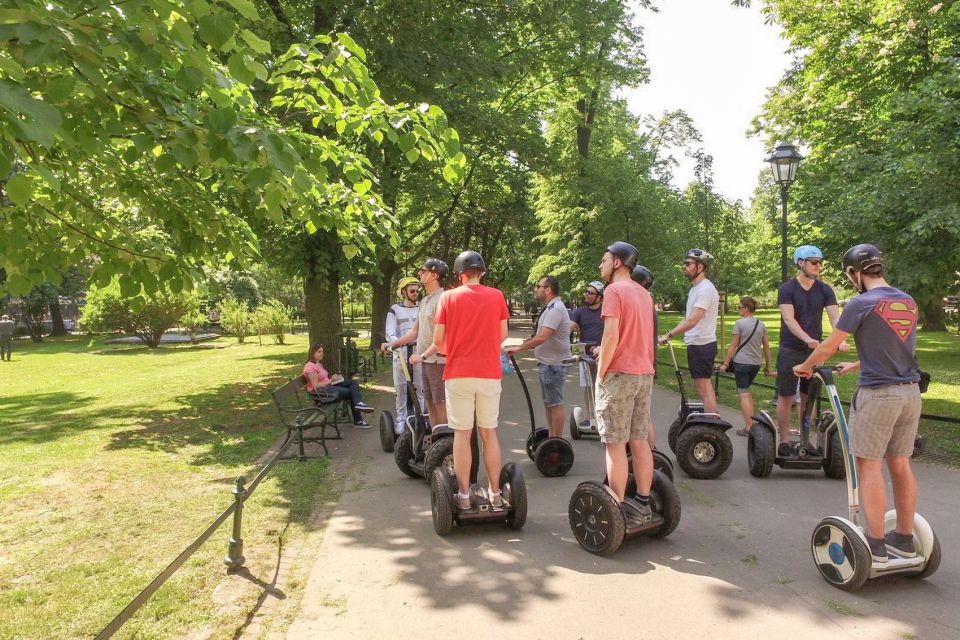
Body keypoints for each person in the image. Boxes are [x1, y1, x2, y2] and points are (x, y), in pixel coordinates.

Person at [794, 244, 922, 564]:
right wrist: (857, 364)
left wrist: (806, 366)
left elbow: (827, 346)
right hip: (910, 392)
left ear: (854, 272)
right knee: (901, 464)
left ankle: (875, 541)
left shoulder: (860, 303)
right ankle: (904, 536)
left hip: (879, 396)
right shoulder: (907, 300)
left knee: (868, 464)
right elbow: (895, 349)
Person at [414, 250, 509, 511]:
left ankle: (465, 495)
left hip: (458, 373)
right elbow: (501, 334)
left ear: (460, 274)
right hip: (489, 373)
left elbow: (438, 341)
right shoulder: (497, 296)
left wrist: (449, 350)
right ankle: (495, 492)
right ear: (482, 273)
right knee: (489, 433)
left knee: (462, 435)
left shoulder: (449, 298)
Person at [596, 241, 659, 526]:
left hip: (620, 373)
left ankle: (616, 508)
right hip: (644, 374)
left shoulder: (613, 291)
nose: (601, 265)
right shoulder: (644, 294)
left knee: (615, 444)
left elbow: (610, 336)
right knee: (640, 441)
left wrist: (601, 372)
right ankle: (643, 502)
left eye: (605, 260)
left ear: (618, 263)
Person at [775, 244, 849, 456]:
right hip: (791, 348)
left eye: (820, 263)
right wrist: (806, 338)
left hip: (815, 351)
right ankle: (785, 441)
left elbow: (836, 319)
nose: (818, 266)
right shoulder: (787, 289)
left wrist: (839, 340)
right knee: (787, 395)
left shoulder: (825, 290)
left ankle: (806, 440)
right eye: (814, 262)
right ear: (800, 263)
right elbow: (789, 319)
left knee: (809, 396)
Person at [504, 275, 572, 438]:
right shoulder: (550, 308)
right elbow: (541, 335)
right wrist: (529, 341)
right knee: (549, 403)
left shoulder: (555, 309)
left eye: (538, 286)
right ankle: (552, 438)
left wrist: (519, 348)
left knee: (554, 404)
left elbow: (543, 337)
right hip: (547, 364)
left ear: (548, 289)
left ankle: (556, 442)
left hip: (555, 365)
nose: (535, 289)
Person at [385, 258, 449, 428]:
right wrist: (392, 344)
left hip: (438, 360)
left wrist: (422, 355)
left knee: (440, 402)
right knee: (429, 402)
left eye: (423, 270)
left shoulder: (443, 299)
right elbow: (414, 331)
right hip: (425, 361)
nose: (420, 273)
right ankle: (436, 441)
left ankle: (447, 443)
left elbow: (443, 336)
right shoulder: (425, 301)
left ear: (434, 275)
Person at [658, 248, 720, 414]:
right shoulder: (695, 289)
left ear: (700, 267)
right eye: (684, 263)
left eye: (688, 264)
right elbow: (689, 318)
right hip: (697, 344)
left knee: (704, 388)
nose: (684, 267)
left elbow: (693, 320)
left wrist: (669, 334)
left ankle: (713, 426)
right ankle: (711, 422)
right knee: (701, 388)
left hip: (703, 344)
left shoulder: (705, 289)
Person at [718, 296, 772, 436]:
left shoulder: (739, 323)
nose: (738, 309)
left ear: (746, 309)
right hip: (756, 364)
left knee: (744, 394)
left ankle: (749, 427)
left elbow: (733, 346)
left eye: (739, 307)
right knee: (747, 393)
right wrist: (769, 366)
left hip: (742, 363)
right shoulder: (761, 324)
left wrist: (725, 364)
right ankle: (751, 422)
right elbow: (767, 347)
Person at [302, 344, 375, 428]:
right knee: (351, 392)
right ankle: (358, 420)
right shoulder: (310, 367)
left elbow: (323, 379)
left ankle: (359, 403)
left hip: (328, 387)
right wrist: (331, 380)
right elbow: (315, 386)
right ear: (312, 353)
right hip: (321, 393)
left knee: (353, 383)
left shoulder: (318, 364)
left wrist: (334, 379)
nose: (322, 353)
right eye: (319, 352)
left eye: (322, 351)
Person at [384, 276, 423, 435]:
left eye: (417, 290)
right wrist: (396, 344)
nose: (415, 293)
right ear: (404, 292)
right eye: (412, 290)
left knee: (420, 388)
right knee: (401, 389)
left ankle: (421, 417)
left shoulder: (423, 307)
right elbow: (390, 332)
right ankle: (401, 419)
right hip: (400, 354)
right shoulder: (394, 309)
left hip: (418, 353)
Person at [569, 280, 605, 348]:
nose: (586, 294)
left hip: (601, 353)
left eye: (590, 293)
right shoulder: (579, 312)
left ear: (599, 297)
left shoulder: (606, 312)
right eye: (586, 292)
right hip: (585, 354)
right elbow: (568, 329)